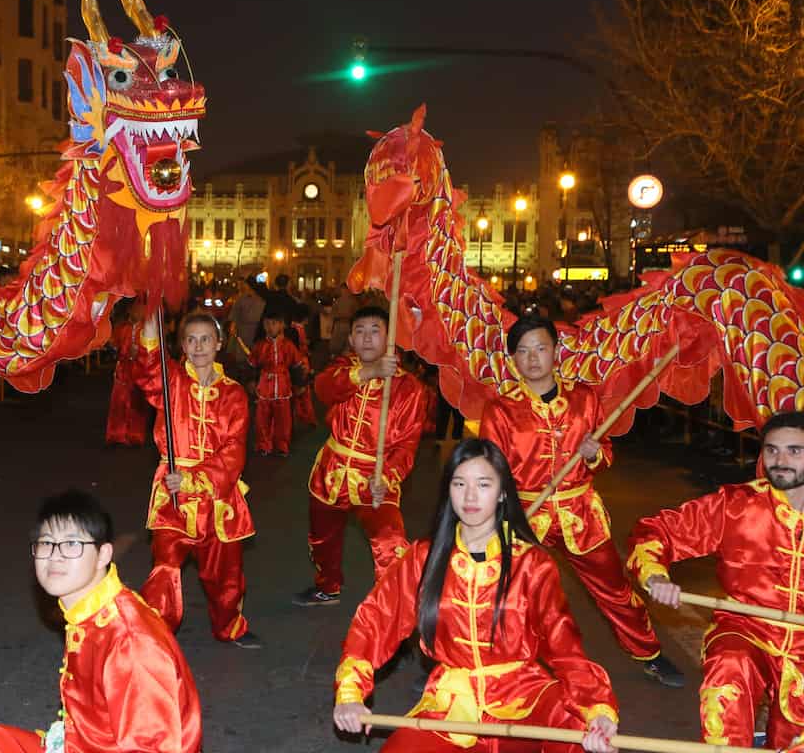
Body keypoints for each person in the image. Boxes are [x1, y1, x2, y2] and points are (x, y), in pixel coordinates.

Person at [332, 438, 619, 753]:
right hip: (453, 703)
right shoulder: (423, 558)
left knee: (577, 728)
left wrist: (597, 710)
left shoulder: (532, 564)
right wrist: (350, 694)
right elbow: (375, 620)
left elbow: (566, 650)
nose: (470, 496)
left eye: (483, 484)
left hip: (525, 697)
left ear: (502, 492)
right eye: (459, 484)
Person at [479, 315, 683, 687]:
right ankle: (495, 659)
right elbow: (490, 469)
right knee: (510, 587)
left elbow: (606, 455)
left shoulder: (583, 399)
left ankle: (649, 653)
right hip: (526, 514)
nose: (533, 358)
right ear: (513, 359)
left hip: (580, 513)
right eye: (523, 351)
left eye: (541, 348)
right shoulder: (501, 410)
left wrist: (593, 454)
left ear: (555, 351)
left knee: (615, 589)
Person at [0, 490, 202, 753]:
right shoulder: (88, 610)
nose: (54, 556)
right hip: (80, 743)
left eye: (71, 544)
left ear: (103, 555)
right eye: (46, 543)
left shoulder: (129, 642)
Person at [629, 411, 804, 747]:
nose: (780, 461)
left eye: (794, 451)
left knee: (791, 738)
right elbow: (656, 531)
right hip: (746, 626)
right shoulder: (737, 505)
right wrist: (655, 576)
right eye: (772, 450)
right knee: (729, 669)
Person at [131, 310, 259, 647]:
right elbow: (148, 371)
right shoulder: (171, 381)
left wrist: (193, 479)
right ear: (183, 346)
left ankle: (229, 625)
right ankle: (156, 636)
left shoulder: (234, 394)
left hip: (218, 498)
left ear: (219, 344)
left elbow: (234, 450)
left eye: (205, 339)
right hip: (172, 496)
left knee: (224, 574)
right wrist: (150, 328)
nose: (198, 346)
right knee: (165, 567)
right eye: (191, 340)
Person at [294, 305, 427, 606]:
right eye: (360, 331)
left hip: (375, 476)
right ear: (351, 339)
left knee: (390, 541)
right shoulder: (342, 368)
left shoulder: (408, 387)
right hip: (331, 472)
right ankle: (328, 586)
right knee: (322, 538)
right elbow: (324, 389)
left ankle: (391, 608)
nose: (367, 338)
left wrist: (387, 477)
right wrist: (368, 373)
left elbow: (407, 445)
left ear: (390, 338)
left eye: (375, 331)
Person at [248, 308, 306, 456]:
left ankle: (282, 445)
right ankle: (263, 444)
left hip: (283, 386)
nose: (270, 327)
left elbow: (297, 366)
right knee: (262, 418)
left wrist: (299, 384)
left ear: (281, 325)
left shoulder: (288, 345)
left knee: (284, 419)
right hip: (264, 387)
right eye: (267, 324)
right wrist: (251, 381)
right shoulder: (260, 345)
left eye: (274, 323)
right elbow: (252, 366)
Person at [105, 298, 150, 447]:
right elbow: (113, 345)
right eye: (137, 308)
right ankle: (116, 434)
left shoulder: (146, 330)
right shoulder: (122, 327)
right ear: (130, 310)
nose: (140, 311)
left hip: (139, 370)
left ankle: (135, 434)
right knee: (119, 401)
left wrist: (140, 353)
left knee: (137, 402)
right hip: (123, 369)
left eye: (142, 308)